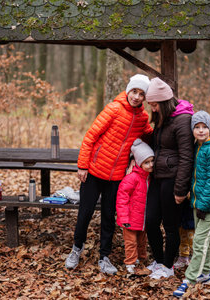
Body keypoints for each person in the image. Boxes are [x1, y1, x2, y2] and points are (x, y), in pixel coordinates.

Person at [65, 74, 153, 274]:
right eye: (134, 91)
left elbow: (148, 137)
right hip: (94, 173)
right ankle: (76, 249)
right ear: (128, 90)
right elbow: (90, 136)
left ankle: (104, 257)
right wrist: (83, 165)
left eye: (142, 94)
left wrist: (134, 159)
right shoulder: (113, 109)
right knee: (85, 214)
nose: (137, 97)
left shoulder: (142, 118)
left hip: (117, 178)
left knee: (108, 217)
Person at [173, 111, 210, 297]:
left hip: (209, 206)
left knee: (198, 242)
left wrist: (204, 205)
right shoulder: (200, 147)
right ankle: (205, 274)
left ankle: (189, 279)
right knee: (206, 240)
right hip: (199, 204)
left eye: (204, 127)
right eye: (197, 127)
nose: (200, 130)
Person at [144, 77, 195, 279]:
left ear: (164, 102)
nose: (153, 109)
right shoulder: (162, 118)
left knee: (170, 225)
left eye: (155, 105)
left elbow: (186, 157)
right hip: (157, 177)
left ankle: (167, 266)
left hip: (173, 179)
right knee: (151, 221)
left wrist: (180, 190)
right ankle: (158, 261)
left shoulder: (183, 120)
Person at [116, 139, 154, 274]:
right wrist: (124, 217)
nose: (150, 165)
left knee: (142, 241)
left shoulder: (149, 178)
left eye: (152, 161)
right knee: (131, 242)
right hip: (130, 218)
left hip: (142, 218)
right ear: (138, 163)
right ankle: (130, 262)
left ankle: (141, 259)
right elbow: (122, 198)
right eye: (146, 162)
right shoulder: (132, 178)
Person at [173, 199, 195, 269]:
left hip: (191, 209)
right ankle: (183, 257)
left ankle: (196, 259)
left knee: (192, 237)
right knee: (182, 235)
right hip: (180, 209)